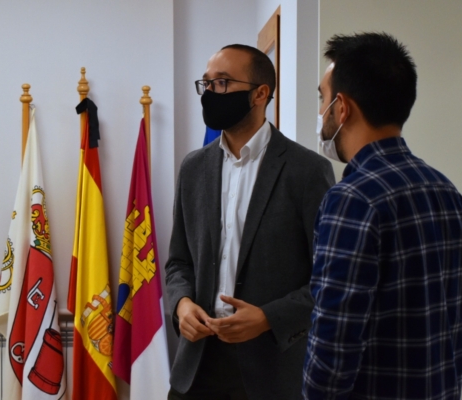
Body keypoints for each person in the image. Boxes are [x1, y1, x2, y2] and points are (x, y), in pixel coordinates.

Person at [165, 44, 335, 400]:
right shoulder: (193, 168)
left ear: (260, 94)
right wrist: (182, 304)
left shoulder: (307, 170)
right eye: (207, 84)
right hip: (196, 367)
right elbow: (178, 262)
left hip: (271, 370)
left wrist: (268, 317)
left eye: (223, 83)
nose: (211, 93)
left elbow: (328, 278)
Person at [304, 32, 462, 399]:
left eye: (322, 98)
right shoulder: (446, 190)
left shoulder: (352, 199)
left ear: (342, 108)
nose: (321, 112)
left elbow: (332, 348)